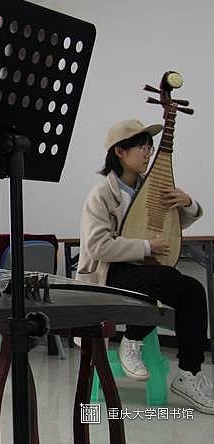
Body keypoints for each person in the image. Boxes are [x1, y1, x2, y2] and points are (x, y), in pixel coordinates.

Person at [77, 118, 213, 414]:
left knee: (192, 290)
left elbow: (169, 225)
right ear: (119, 152)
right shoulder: (101, 195)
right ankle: (131, 340)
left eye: (149, 147)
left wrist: (187, 204)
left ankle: (188, 373)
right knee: (168, 278)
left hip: (146, 273)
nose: (148, 153)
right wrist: (147, 247)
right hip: (108, 276)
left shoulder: (148, 190)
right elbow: (97, 246)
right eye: (141, 147)